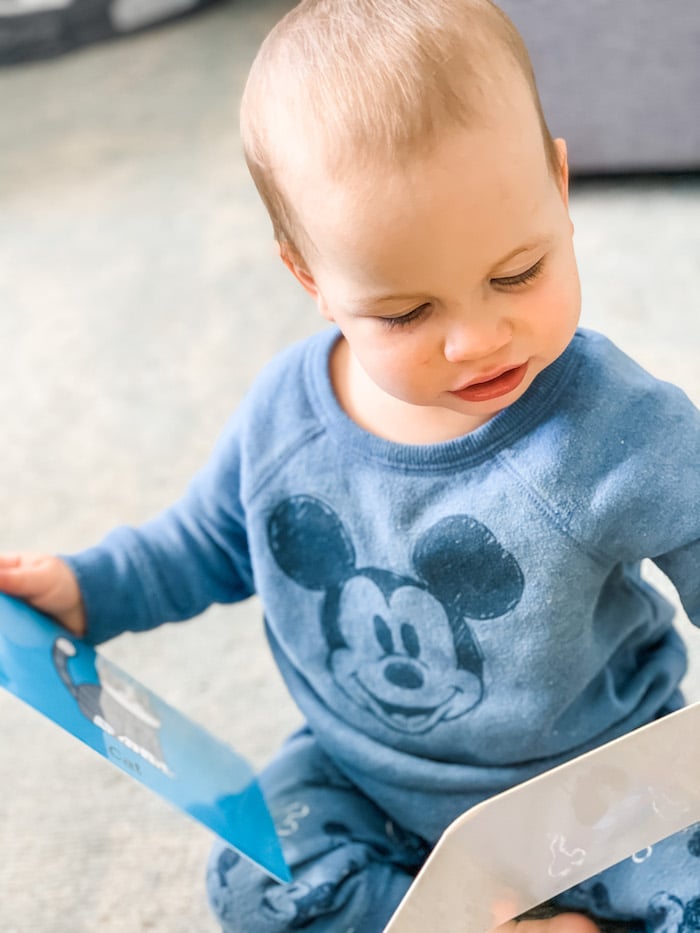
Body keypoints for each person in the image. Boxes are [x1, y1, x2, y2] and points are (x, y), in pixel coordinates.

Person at [1, 1, 698, 930]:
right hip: (364, 777)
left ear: (559, 187)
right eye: (407, 313)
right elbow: (208, 542)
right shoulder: (286, 418)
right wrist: (86, 591)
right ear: (310, 278)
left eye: (519, 271)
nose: (477, 338)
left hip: (599, 786)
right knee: (257, 878)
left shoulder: (617, 425)